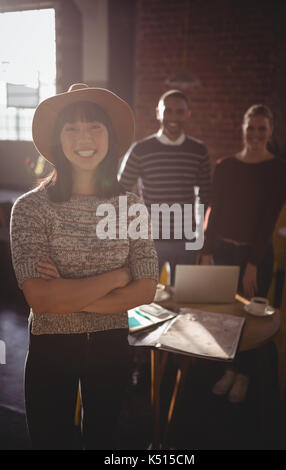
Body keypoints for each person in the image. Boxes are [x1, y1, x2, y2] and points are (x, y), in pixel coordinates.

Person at [10, 83, 159, 450]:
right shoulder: (30, 208)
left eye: (94, 126)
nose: (84, 137)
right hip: (51, 350)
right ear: (58, 138)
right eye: (71, 128)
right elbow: (41, 300)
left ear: (109, 135)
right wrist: (118, 276)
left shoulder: (132, 206)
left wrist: (68, 294)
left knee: (106, 444)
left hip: (112, 349)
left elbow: (146, 290)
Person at [202, 104, 286, 403]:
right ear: (243, 129)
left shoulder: (279, 169)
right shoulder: (226, 165)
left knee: (251, 319)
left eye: (261, 128)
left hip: (256, 255)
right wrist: (206, 252)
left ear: (270, 132)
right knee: (226, 316)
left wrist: (252, 263)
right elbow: (215, 212)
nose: (255, 134)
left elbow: (268, 220)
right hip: (223, 251)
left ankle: (245, 375)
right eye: (250, 127)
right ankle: (230, 369)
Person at [118, 89, 211, 284]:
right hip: (150, 239)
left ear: (187, 114)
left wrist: (202, 237)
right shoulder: (140, 150)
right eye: (168, 111)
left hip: (186, 238)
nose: (173, 117)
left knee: (183, 297)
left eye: (179, 112)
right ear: (158, 113)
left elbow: (206, 196)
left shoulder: (199, 151)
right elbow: (121, 190)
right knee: (145, 297)